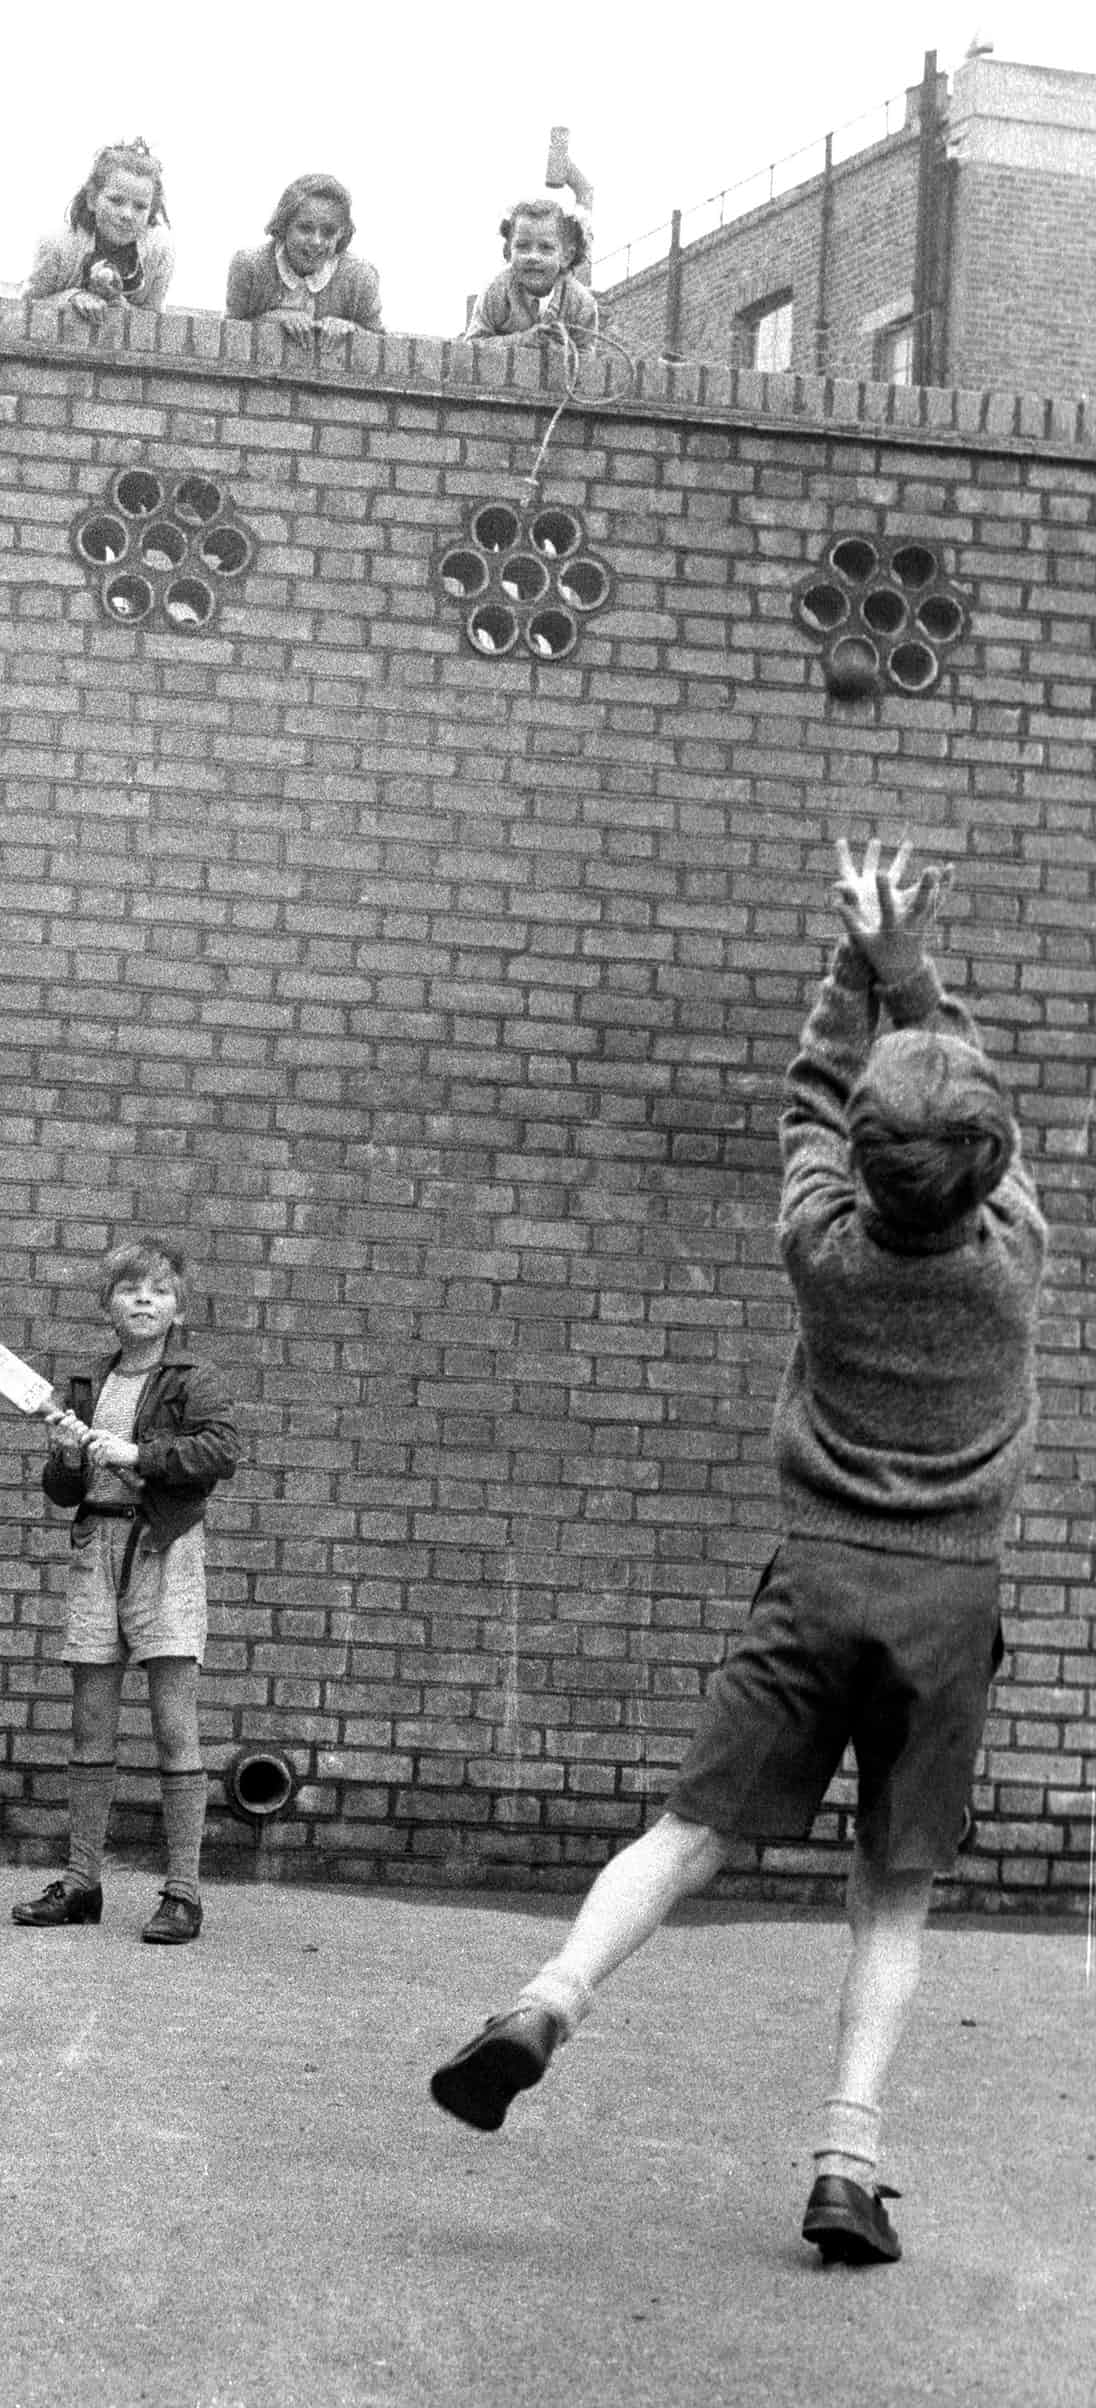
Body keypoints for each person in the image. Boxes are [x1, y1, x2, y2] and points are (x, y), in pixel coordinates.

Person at [430, 838, 1048, 2270]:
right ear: (993, 1169)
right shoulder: (1014, 1254)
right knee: (893, 1889)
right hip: (948, 1598)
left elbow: (818, 1098)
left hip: (816, 1575)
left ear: (862, 1170)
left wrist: (855, 966)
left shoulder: (820, 1242)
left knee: (688, 1834)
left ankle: (547, 2000)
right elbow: (957, 1090)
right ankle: (846, 2155)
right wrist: (913, 973)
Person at [12, 1237, 240, 1943]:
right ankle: (82, 1882)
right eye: (131, 1289)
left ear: (177, 1306)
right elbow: (63, 1493)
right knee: (91, 1723)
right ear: (107, 1303)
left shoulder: (192, 1379)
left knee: (174, 1722)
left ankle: (183, 1893)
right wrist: (66, 1459)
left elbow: (220, 1451)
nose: (146, 1300)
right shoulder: (86, 1386)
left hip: (163, 1548)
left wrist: (139, 1454)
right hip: (95, 1549)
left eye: (160, 1290)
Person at [24, 138, 173, 323]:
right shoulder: (57, 245)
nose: (127, 214)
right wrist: (72, 297)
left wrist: (126, 311)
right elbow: (25, 307)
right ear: (93, 199)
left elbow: (156, 321)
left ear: (151, 211)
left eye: (140, 206)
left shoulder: (159, 251)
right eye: (116, 201)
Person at [225, 173, 383, 343]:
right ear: (284, 225)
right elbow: (226, 334)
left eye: (328, 232)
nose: (316, 241)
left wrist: (351, 330)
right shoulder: (250, 266)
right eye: (305, 228)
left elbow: (383, 344)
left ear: (342, 233)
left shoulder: (359, 277)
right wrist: (273, 319)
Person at [462, 195, 597, 344]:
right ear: (508, 251)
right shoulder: (497, 290)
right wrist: (523, 339)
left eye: (545, 247)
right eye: (522, 246)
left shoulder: (581, 303)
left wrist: (560, 351)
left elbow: (586, 357)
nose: (532, 257)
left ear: (566, 256)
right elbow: (471, 345)